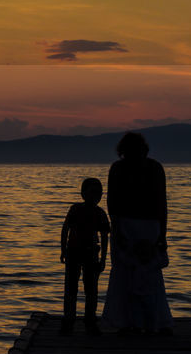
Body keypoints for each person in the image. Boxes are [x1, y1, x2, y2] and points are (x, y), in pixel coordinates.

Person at [102, 132, 173, 334]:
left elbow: (160, 203)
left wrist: (162, 234)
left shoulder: (150, 168)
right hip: (135, 225)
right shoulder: (140, 168)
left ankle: (139, 322)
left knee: (139, 275)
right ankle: (139, 322)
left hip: (143, 226)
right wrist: (162, 234)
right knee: (137, 275)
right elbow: (114, 203)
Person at [60, 177, 110, 335]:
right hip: (73, 252)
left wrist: (103, 259)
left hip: (91, 254)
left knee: (91, 290)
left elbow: (104, 236)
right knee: (71, 289)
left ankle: (90, 321)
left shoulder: (100, 213)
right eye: (92, 192)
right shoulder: (75, 209)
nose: (96, 196)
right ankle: (69, 321)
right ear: (83, 194)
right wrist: (63, 250)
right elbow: (65, 229)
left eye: (99, 193)